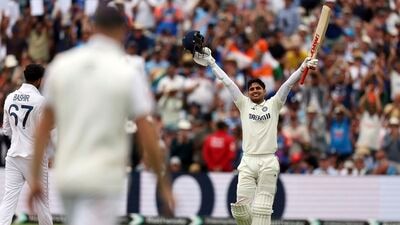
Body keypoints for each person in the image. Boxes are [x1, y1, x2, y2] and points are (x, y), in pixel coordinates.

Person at [28, 6, 174, 225]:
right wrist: (163, 184)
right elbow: (146, 131)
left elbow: (43, 126)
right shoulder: (127, 72)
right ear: (122, 31)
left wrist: (35, 176)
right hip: (102, 176)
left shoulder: (62, 64)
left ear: (92, 28)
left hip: (68, 175)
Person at [185, 31, 318, 225]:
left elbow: (288, 84)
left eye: (259, 88)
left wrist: (303, 66)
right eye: (252, 89)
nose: (255, 90)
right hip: (247, 161)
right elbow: (227, 82)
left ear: (264, 91)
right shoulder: (243, 103)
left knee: (262, 211)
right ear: (248, 93)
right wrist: (213, 63)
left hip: (267, 161)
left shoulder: (274, 103)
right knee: (241, 211)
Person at [0, 64, 53, 225]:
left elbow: (7, 130)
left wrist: (19, 135)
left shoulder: (10, 97)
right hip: (33, 158)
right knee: (42, 204)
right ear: (39, 80)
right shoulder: (41, 101)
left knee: (8, 201)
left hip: (14, 155)